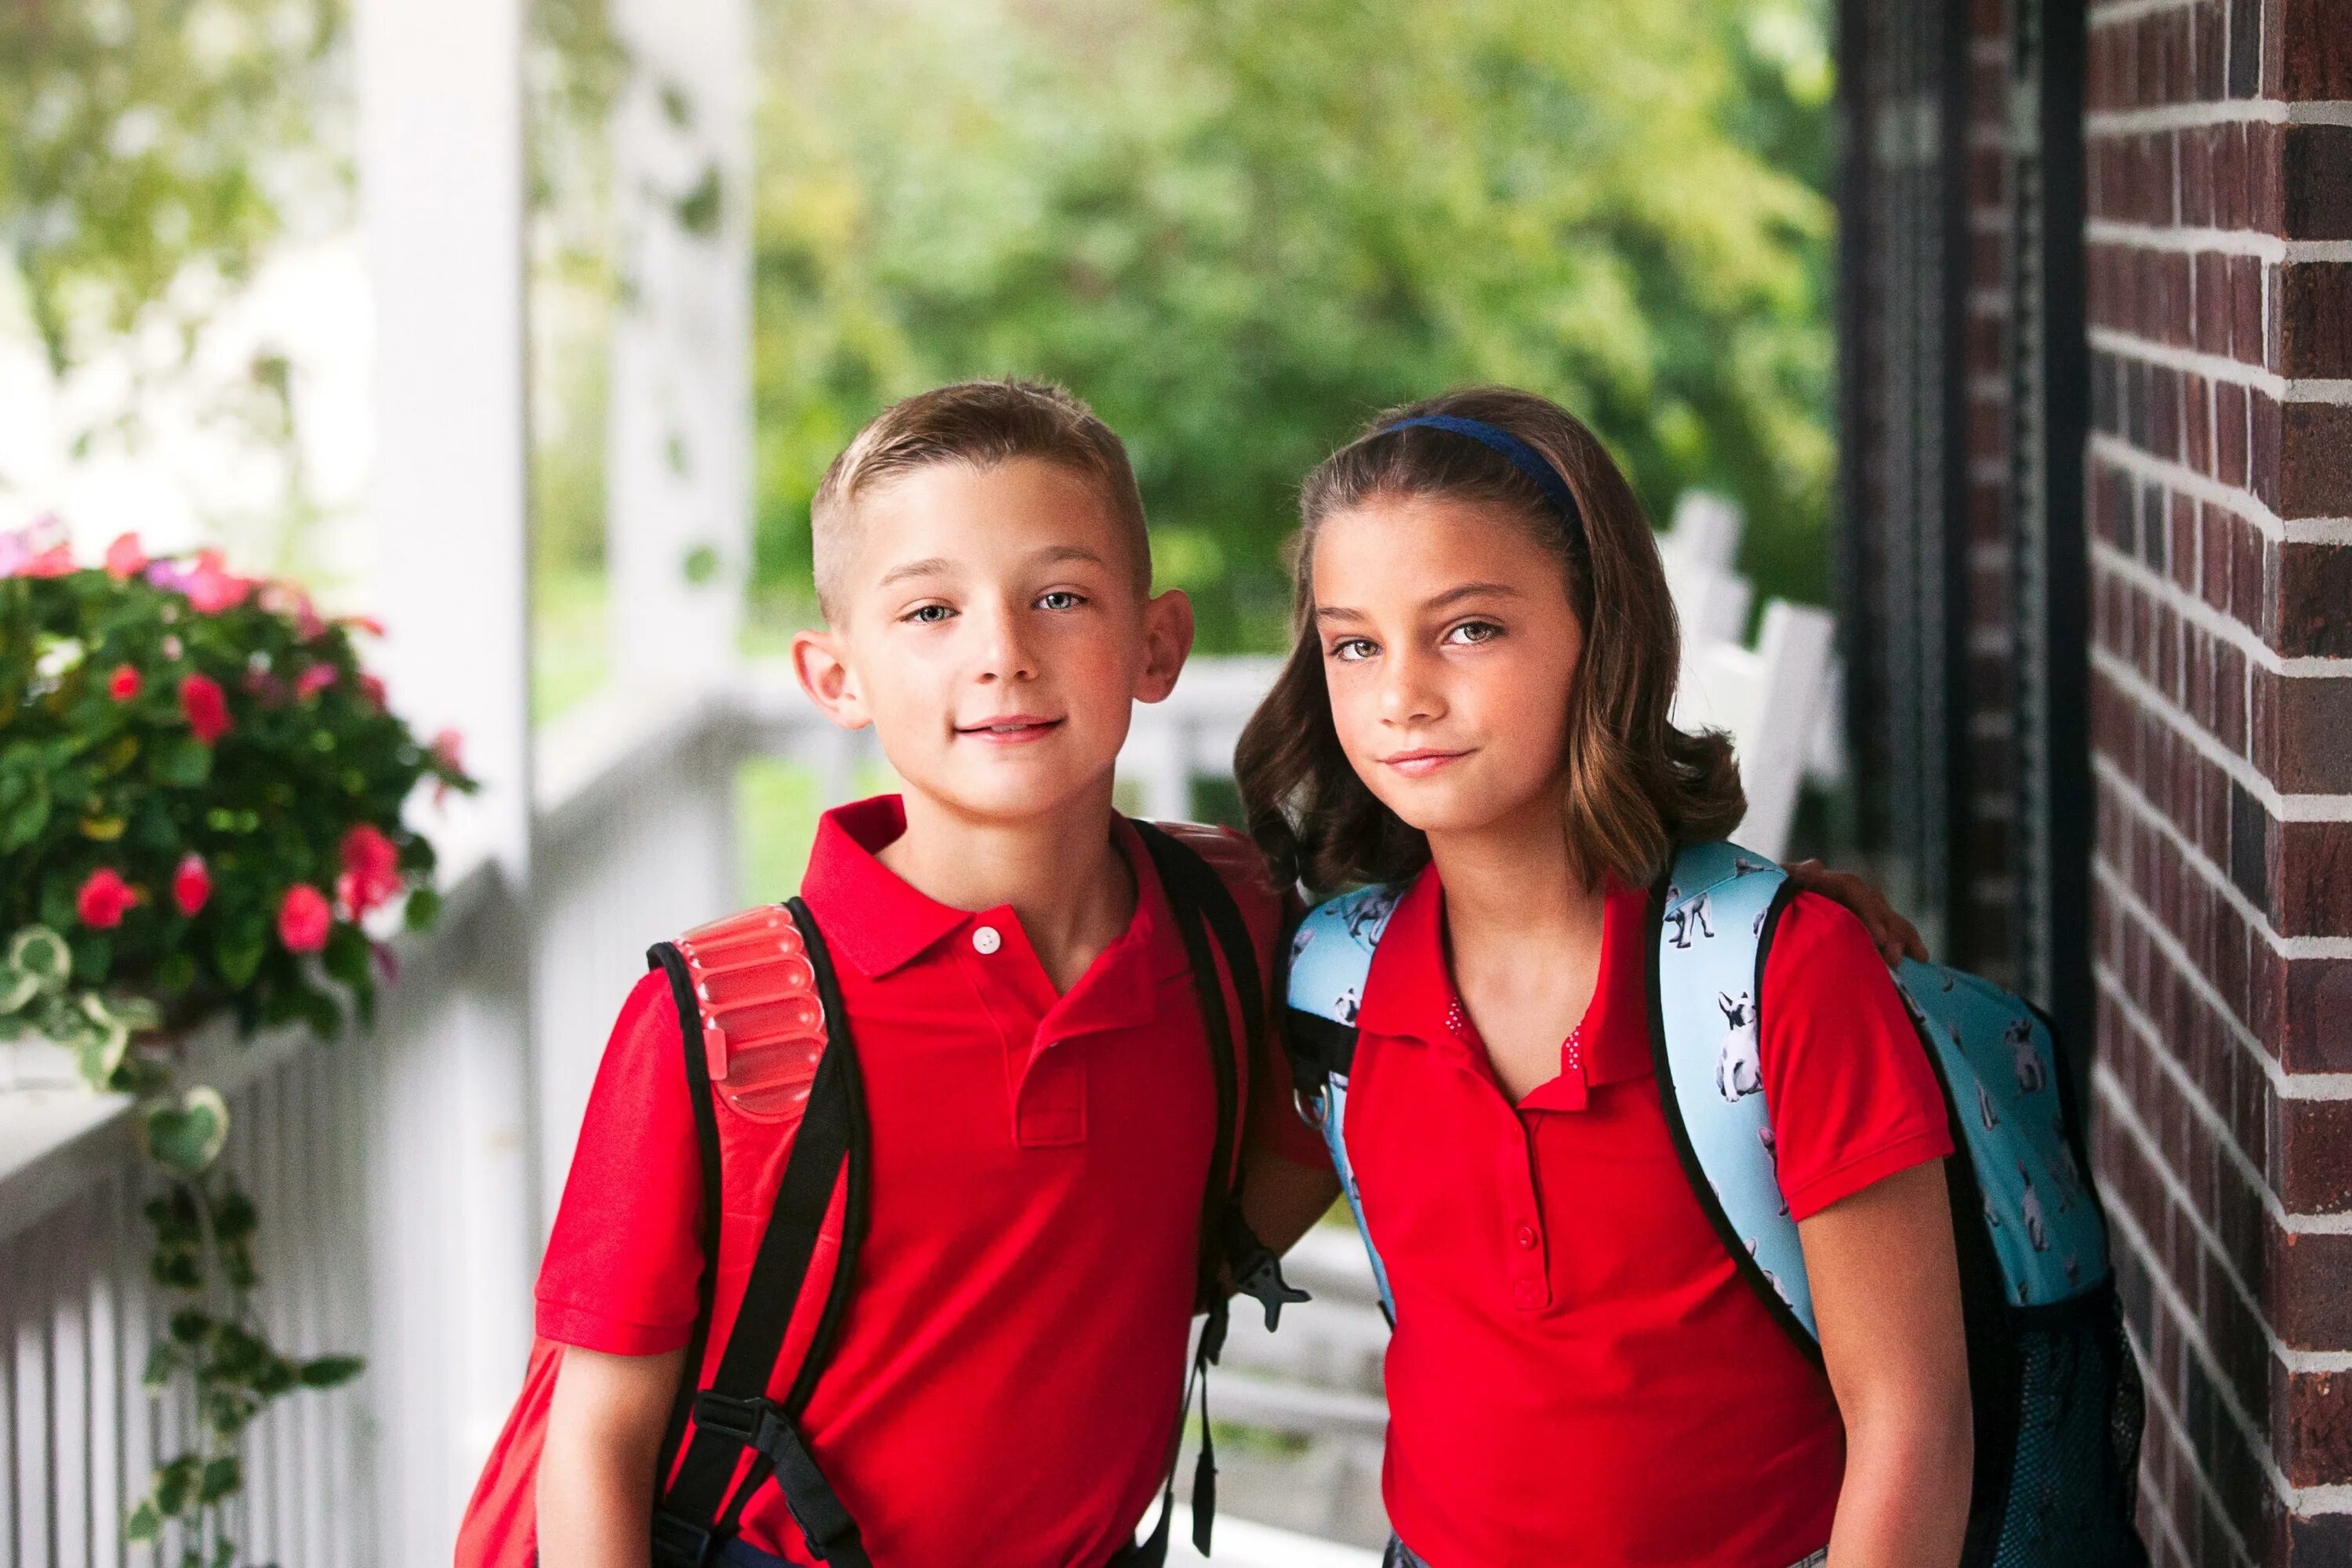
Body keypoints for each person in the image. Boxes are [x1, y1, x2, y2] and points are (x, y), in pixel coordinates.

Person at [499, 380, 1337, 1568]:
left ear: (1157, 644)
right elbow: (594, 1443)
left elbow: (1291, 1157)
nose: (1002, 654)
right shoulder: (721, 1023)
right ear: (837, 678)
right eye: (931, 611)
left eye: (1060, 597)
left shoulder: (1231, 922)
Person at [1236, 387, 1975, 1568]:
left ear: (1603, 631)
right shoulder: (1333, 980)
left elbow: (1913, 1426)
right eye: (1355, 643)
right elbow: (1170, 1255)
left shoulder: (1780, 970)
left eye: (1469, 628)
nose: (1401, 694)